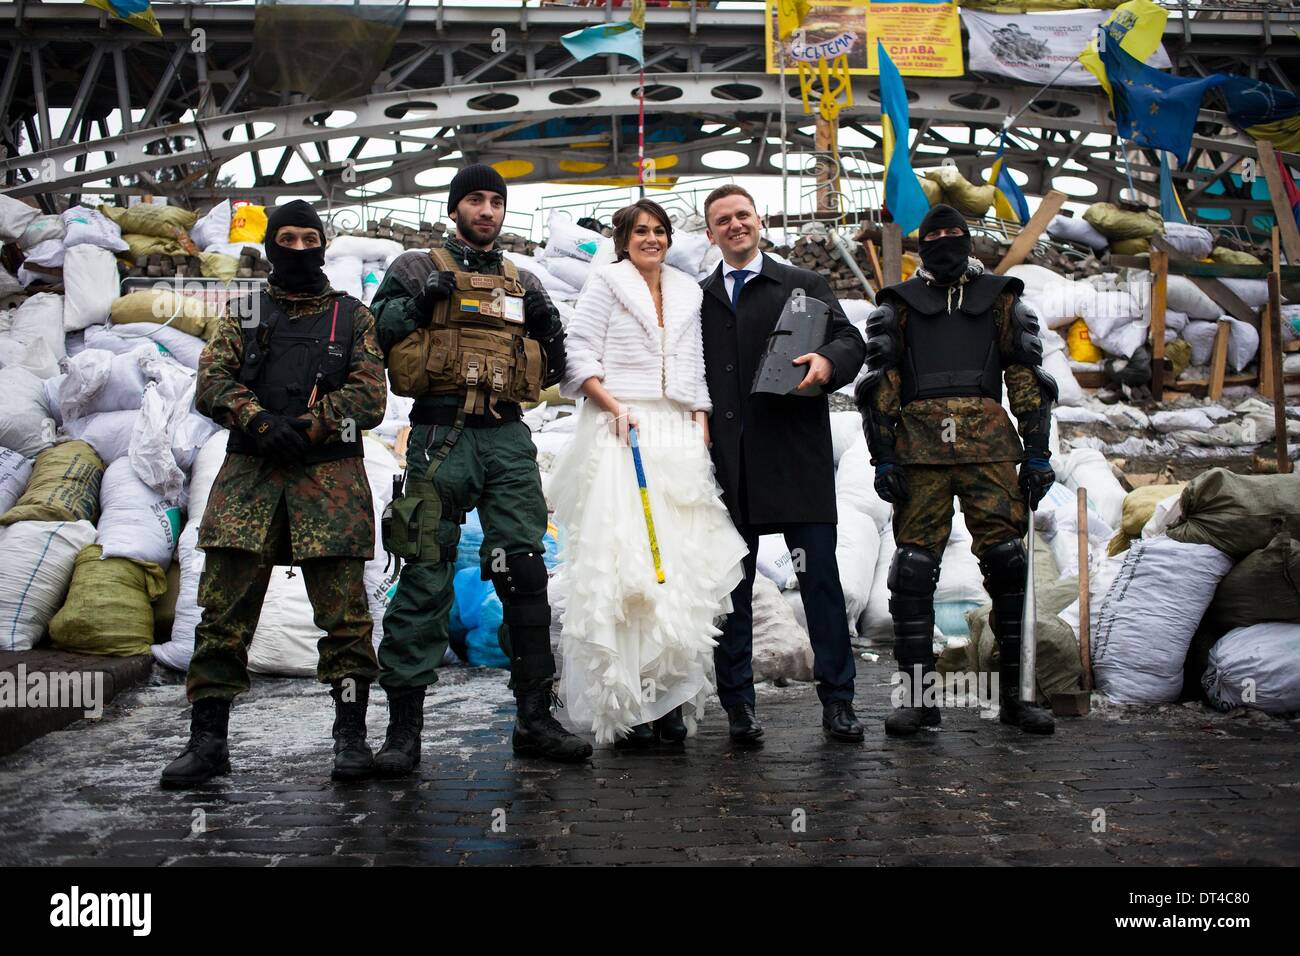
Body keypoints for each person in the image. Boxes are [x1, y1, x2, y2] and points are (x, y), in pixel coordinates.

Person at [369, 164, 591, 775]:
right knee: (425, 569)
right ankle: (403, 733)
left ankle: (534, 719)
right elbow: (378, 332)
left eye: (496, 201)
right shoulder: (414, 267)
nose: (487, 210)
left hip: (505, 438)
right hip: (440, 434)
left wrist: (541, 341)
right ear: (455, 207)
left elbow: (554, 355)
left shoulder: (526, 280)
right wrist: (424, 299)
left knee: (523, 572)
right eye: (475, 200)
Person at [161, 200, 388, 789]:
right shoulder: (244, 310)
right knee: (222, 618)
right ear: (272, 245)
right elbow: (211, 380)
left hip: (329, 485)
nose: (299, 247)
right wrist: (259, 421)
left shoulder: (352, 317)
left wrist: (310, 427)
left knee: (345, 621)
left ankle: (351, 737)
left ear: (323, 244)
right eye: (287, 238)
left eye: (309, 238)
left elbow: (369, 399)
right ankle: (207, 741)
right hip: (251, 482)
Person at [854, 203, 1057, 737]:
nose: (944, 241)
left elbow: (1026, 373)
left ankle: (1015, 696)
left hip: (989, 446)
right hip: (920, 451)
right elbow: (880, 381)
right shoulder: (897, 303)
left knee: (1009, 563)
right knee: (913, 571)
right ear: (923, 244)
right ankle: (918, 701)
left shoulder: (1002, 299)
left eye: (953, 233)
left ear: (969, 240)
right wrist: (884, 456)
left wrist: (1038, 450)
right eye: (935, 235)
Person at [551, 200, 748, 748]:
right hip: (620, 428)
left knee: (681, 566)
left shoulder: (688, 290)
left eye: (660, 230)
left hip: (676, 432)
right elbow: (579, 356)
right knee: (627, 567)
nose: (652, 239)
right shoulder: (605, 284)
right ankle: (629, 704)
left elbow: (696, 363)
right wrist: (614, 408)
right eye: (641, 231)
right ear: (623, 238)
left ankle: (670, 700)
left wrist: (701, 416)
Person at [699, 184, 867, 745]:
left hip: (797, 459)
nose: (734, 225)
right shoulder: (701, 299)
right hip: (731, 469)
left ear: (760, 221)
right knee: (733, 594)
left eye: (742, 215)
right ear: (710, 233)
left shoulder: (803, 284)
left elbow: (850, 339)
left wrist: (826, 359)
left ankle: (839, 703)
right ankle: (739, 709)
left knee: (820, 583)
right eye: (722, 220)